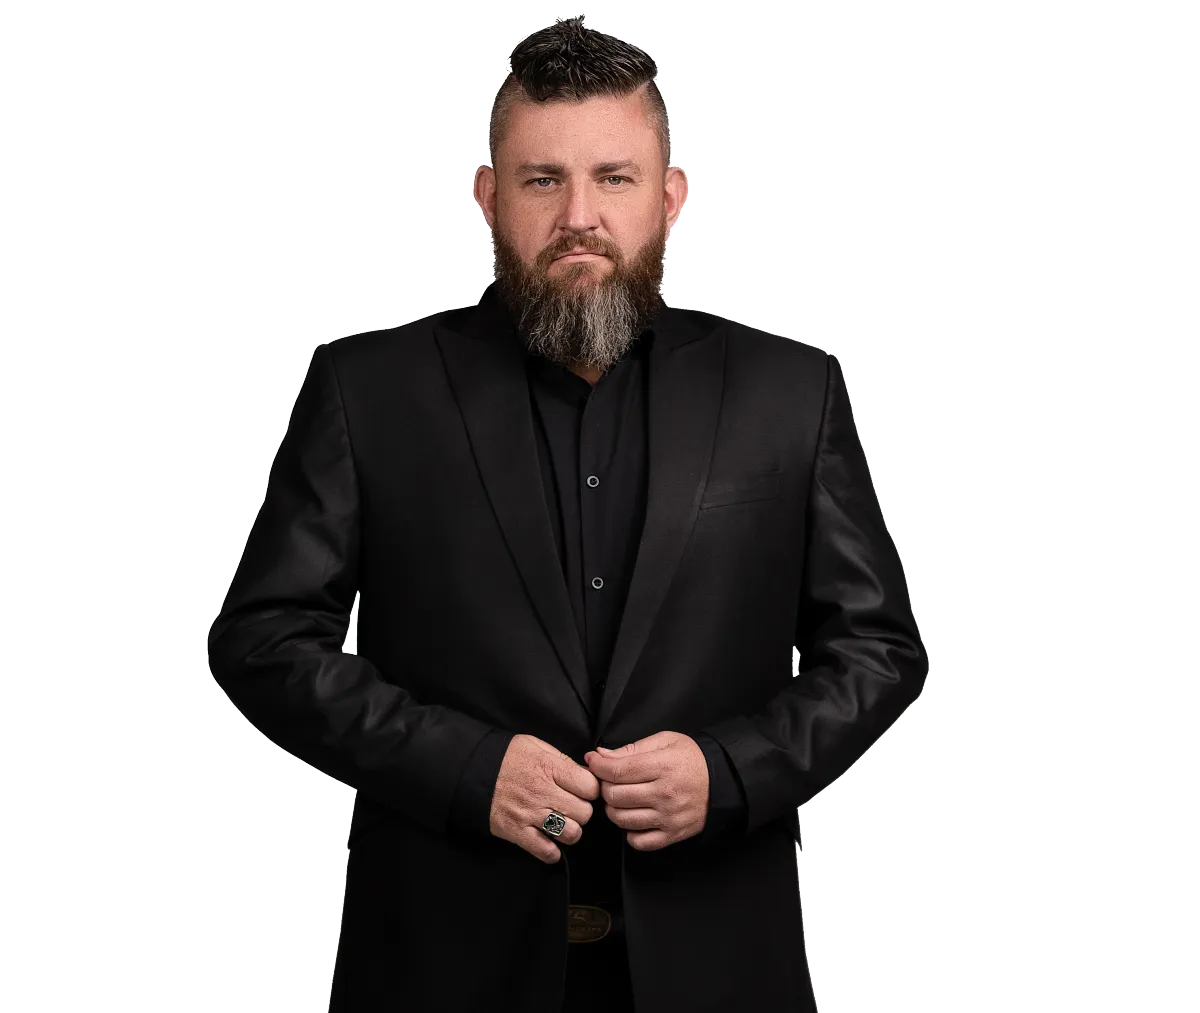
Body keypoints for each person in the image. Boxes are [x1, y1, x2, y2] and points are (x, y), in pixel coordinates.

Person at [205, 15, 928, 1013]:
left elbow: (879, 650)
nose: (579, 215)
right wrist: (466, 768)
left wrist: (729, 772)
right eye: (542, 179)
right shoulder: (366, 389)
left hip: (715, 965)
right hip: (440, 969)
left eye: (614, 178)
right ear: (487, 193)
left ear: (670, 196)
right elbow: (264, 638)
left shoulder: (790, 392)